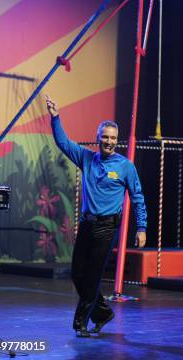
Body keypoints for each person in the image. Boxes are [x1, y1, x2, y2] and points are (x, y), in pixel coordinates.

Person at [45, 94, 147, 337]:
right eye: (105, 137)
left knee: (91, 276)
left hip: (108, 228)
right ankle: (102, 312)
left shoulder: (125, 166)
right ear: (98, 138)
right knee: (77, 273)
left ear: (117, 140)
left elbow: (138, 196)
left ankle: (81, 323)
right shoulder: (87, 158)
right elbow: (63, 142)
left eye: (113, 138)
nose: (108, 141)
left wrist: (141, 227)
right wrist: (56, 117)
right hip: (87, 225)